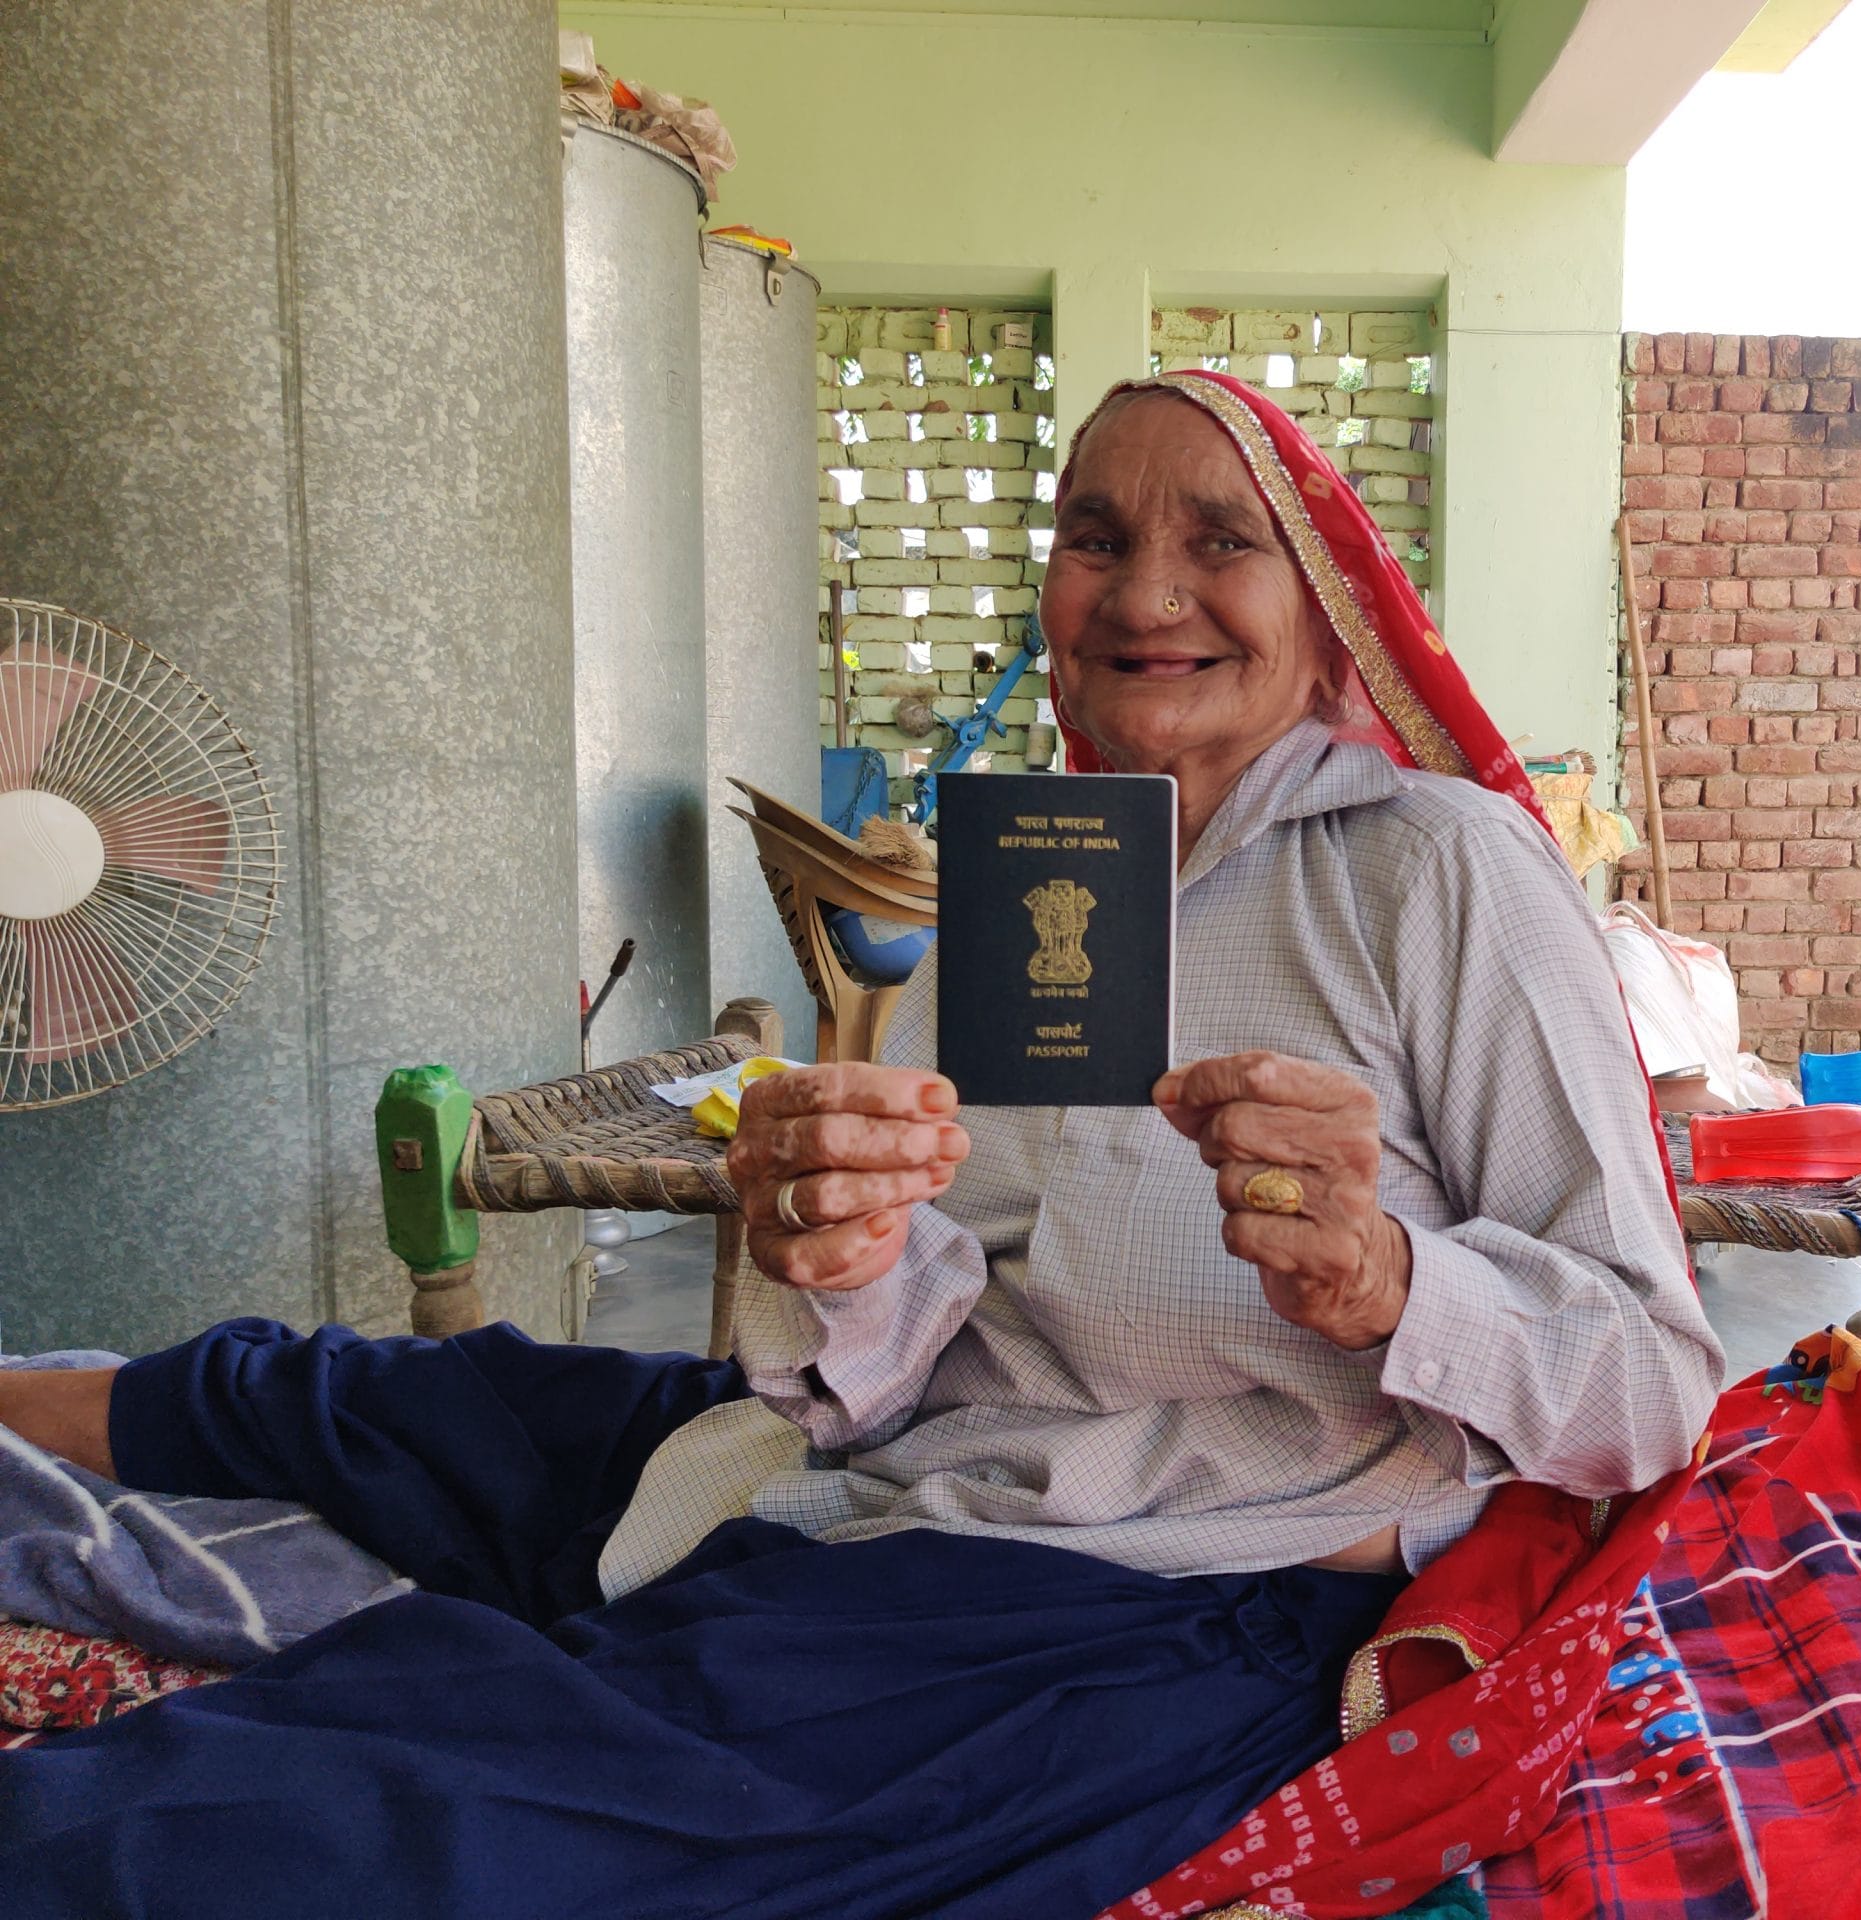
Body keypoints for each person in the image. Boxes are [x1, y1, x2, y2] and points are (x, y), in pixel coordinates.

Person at [0, 371, 1722, 1920]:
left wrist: (1393, 1279)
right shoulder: (1038, 876)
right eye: (1094, 537)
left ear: (1326, 602)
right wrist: (838, 1254)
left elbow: (1651, 1381)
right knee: (435, 1401)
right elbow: (912, 1333)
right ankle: (28, 1404)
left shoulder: (1438, 873)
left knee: (504, 1762)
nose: (1142, 593)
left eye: (1221, 541)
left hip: (1161, 1578)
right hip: (931, 1446)